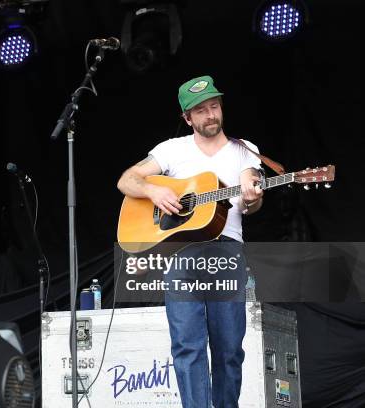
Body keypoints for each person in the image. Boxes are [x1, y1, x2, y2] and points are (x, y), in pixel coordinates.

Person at [117, 75, 263, 407]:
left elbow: (252, 196)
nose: (210, 115)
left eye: (214, 106)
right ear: (187, 118)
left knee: (228, 349)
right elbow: (127, 180)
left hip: (225, 251)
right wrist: (153, 189)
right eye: (200, 110)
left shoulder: (245, 150)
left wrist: (253, 197)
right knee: (187, 345)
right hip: (180, 255)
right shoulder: (170, 149)